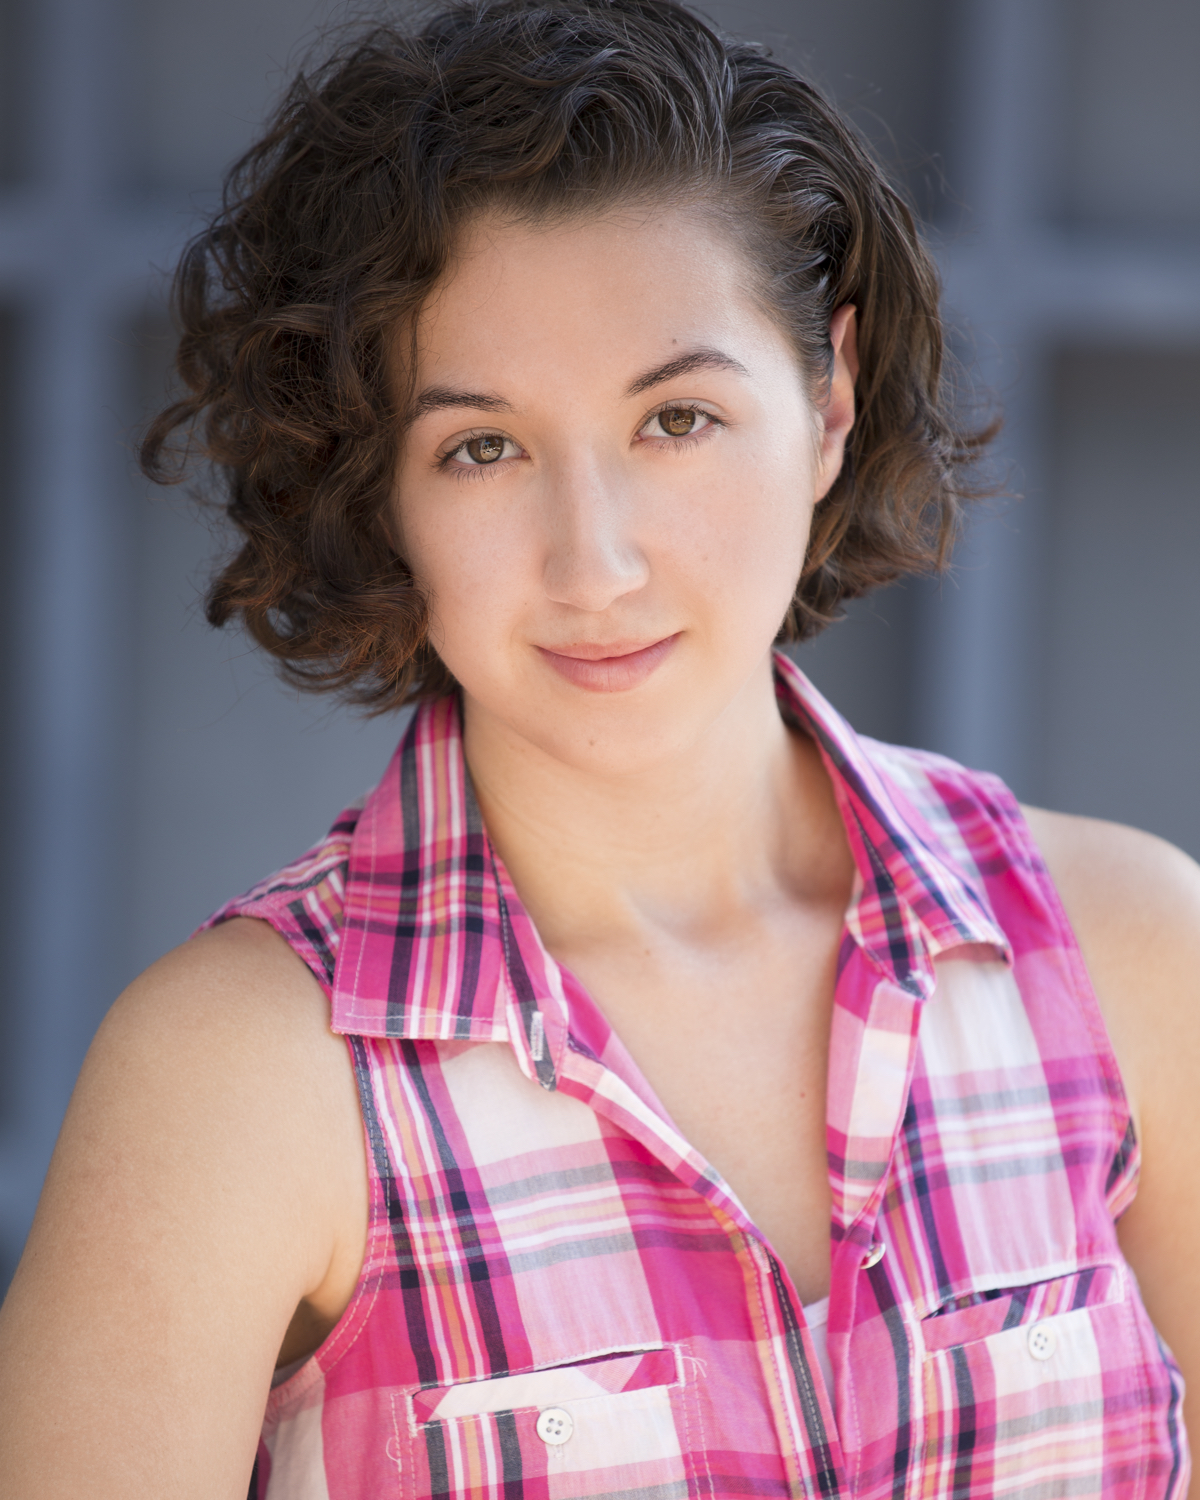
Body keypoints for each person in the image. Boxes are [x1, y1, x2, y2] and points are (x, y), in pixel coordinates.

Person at [1, 1, 1198, 1496]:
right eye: (482, 447)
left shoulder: (1129, 953)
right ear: (379, 488)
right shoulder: (237, 1077)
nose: (596, 563)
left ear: (826, 400)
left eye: (677, 419)